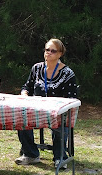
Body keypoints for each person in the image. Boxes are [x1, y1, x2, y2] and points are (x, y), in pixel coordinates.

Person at [15, 38, 79, 167]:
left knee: (60, 124)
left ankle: (59, 157)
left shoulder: (68, 73)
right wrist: (24, 95)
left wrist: (59, 107)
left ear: (60, 54)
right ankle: (30, 154)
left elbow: (72, 98)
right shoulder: (37, 68)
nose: (48, 53)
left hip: (58, 112)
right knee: (20, 119)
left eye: (53, 51)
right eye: (47, 50)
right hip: (36, 109)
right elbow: (26, 87)